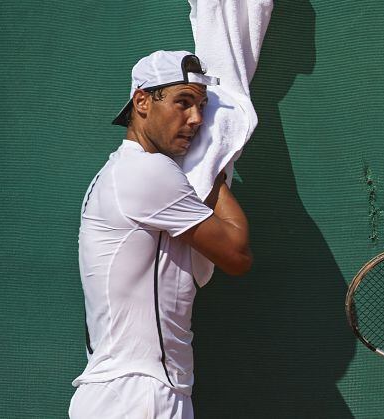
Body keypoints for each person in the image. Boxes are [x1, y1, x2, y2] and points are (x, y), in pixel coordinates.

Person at [69, 50, 252, 419]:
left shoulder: (123, 172)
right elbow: (237, 255)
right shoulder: (147, 173)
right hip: (137, 394)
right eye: (182, 103)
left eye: (201, 106)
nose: (197, 119)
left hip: (131, 392)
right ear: (142, 101)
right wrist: (212, 165)